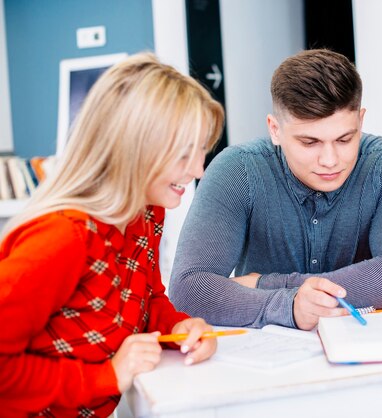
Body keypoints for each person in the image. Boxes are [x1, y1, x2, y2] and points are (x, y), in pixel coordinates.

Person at [0, 53, 225, 417]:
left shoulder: (147, 213)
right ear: (134, 149)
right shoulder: (62, 238)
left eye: (201, 151)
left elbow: (146, 298)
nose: (198, 169)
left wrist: (178, 327)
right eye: (185, 154)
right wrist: (106, 376)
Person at [169, 49, 382, 330]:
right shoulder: (238, 170)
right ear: (275, 129)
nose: (330, 160)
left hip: (369, 346)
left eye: (345, 139)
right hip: (264, 358)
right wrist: (290, 306)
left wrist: (264, 284)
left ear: (361, 120)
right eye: (310, 142)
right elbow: (189, 289)